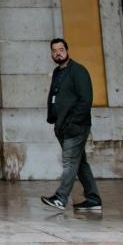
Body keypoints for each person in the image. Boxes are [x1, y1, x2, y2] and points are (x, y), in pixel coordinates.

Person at [41, 36, 102, 211]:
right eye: (54, 51)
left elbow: (85, 99)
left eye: (61, 50)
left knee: (69, 162)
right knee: (80, 163)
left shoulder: (78, 71)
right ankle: (93, 199)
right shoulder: (58, 72)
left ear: (67, 50)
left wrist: (72, 122)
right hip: (61, 126)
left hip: (75, 127)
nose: (58, 53)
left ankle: (60, 198)